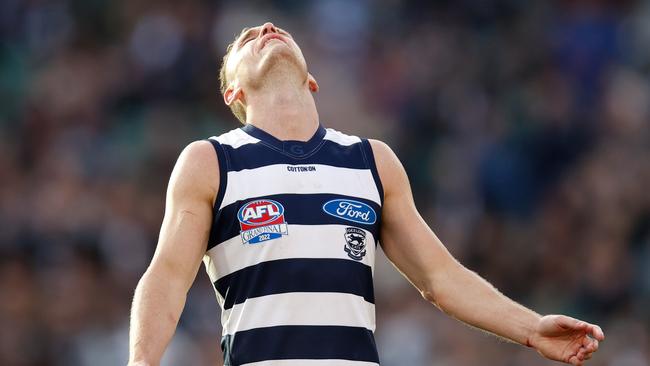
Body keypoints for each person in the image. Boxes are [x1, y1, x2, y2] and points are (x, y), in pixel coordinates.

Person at [128, 22, 604, 366]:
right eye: (245, 39)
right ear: (233, 94)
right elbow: (167, 276)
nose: (267, 29)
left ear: (311, 79)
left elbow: (439, 277)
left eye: (276, 30)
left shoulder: (371, 160)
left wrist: (530, 327)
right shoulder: (211, 160)